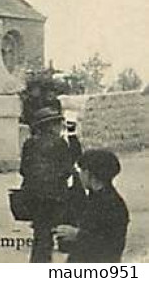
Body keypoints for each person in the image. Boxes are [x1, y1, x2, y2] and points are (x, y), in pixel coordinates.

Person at [19, 105, 75, 262]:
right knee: (48, 233)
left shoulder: (29, 144)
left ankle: (38, 263)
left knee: (40, 233)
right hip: (54, 196)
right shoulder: (60, 144)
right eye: (57, 124)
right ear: (50, 126)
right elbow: (67, 170)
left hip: (32, 196)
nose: (59, 127)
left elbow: (23, 170)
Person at [56, 149, 130, 263]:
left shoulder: (111, 204)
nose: (79, 175)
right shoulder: (97, 197)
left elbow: (111, 244)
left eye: (81, 171)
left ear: (88, 173)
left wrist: (77, 235)